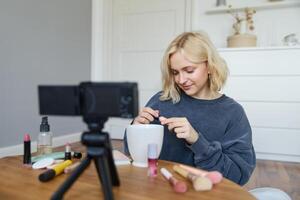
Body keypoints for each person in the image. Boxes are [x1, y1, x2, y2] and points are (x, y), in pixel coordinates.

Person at [124, 31, 256, 185]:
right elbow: (132, 155)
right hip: (156, 189)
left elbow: (238, 176)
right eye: (175, 72)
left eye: (189, 70)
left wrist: (197, 141)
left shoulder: (233, 113)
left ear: (209, 66)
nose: (181, 79)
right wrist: (135, 129)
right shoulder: (161, 100)